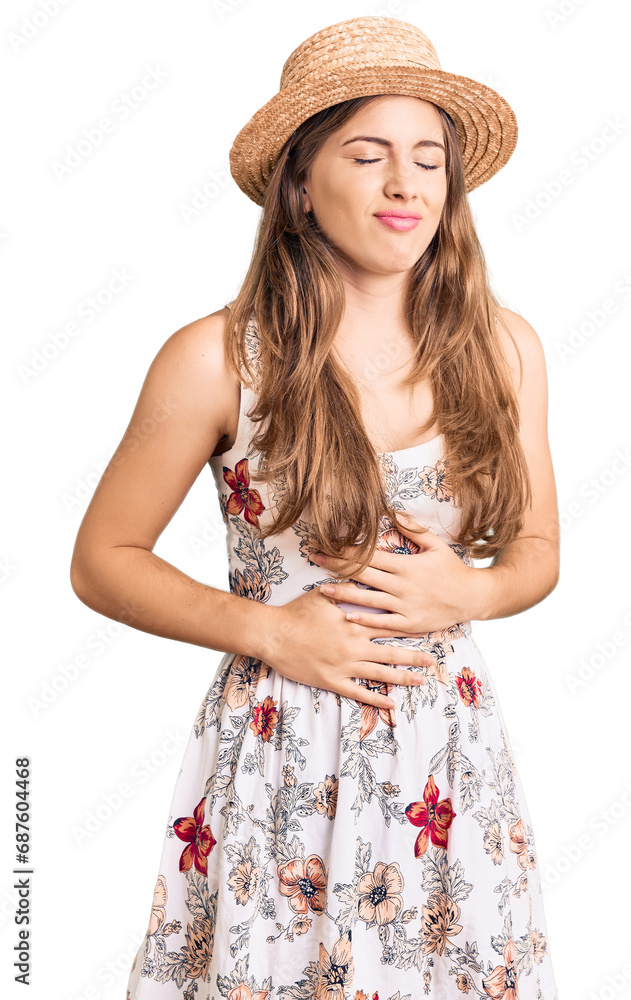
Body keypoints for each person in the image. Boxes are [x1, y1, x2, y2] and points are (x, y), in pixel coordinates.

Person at [70, 16, 560, 1000]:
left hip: (447, 761)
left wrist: (464, 589)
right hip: (280, 750)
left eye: (428, 158)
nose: (404, 184)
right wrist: (271, 631)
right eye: (367, 153)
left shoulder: (503, 347)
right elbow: (102, 557)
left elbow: (539, 551)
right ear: (301, 180)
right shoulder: (217, 358)